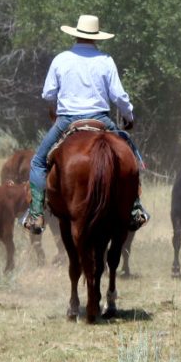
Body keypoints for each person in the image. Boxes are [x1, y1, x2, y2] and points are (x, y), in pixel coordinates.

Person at [19, 14, 149, 235]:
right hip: (101, 119)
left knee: (39, 162)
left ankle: (36, 213)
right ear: (97, 38)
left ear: (76, 34)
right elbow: (118, 96)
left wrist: (55, 106)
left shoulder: (61, 59)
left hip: (68, 119)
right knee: (133, 158)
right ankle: (135, 208)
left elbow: (48, 93)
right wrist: (129, 116)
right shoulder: (106, 60)